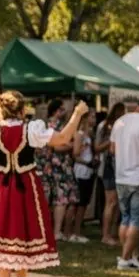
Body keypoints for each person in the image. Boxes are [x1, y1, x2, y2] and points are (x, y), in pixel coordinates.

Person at [0, 92, 88, 277]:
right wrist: (77, 114)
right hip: (26, 185)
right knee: (26, 229)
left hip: (0, 186)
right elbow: (62, 139)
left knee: (1, 232)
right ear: (22, 111)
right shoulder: (30, 129)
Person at [37, 98, 79, 243]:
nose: (64, 112)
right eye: (62, 109)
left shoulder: (51, 125)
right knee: (59, 200)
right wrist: (73, 144)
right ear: (56, 110)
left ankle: (54, 231)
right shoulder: (53, 125)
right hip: (55, 167)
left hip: (54, 167)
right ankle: (55, 232)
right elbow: (58, 146)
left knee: (57, 200)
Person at [111, 92, 139, 271]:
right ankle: (125, 259)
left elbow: (112, 149)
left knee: (125, 218)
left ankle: (131, 256)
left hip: (121, 176)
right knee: (136, 220)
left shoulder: (120, 121)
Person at [95, 102, 125, 247]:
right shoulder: (104, 126)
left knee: (118, 203)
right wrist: (111, 140)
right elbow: (97, 147)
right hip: (108, 168)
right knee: (111, 202)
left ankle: (113, 233)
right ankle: (105, 235)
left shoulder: (122, 127)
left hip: (120, 167)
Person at [70, 109, 96, 243]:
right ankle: (75, 232)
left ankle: (77, 230)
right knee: (79, 203)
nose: (94, 119)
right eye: (92, 117)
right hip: (81, 171)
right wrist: (85, 156)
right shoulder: (80, 134)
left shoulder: (89, 134)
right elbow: (75, 154)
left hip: (88, 171)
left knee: (84, 203)